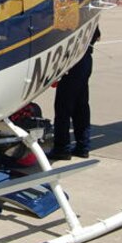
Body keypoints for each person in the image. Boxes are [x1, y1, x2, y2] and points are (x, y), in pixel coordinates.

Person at [49, 26, 101, 160]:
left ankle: (62, 148)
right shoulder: (89, 20)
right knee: (81, 107)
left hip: (72, 62)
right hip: (85, 60)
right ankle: (83, 147)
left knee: (63, 109)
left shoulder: (69, 20)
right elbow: (97, 36)